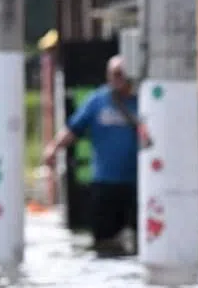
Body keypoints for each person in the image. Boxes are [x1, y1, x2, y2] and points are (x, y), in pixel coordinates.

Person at [44, 54, 141, 255]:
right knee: (104, 242)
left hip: (137, 183)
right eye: (113, 74)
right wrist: (54, 148)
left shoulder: (142, 101)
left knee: (139, 240)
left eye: (121, 74)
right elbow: (73, 128)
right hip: (105, 182)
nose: (117, 79)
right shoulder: (97, 100)